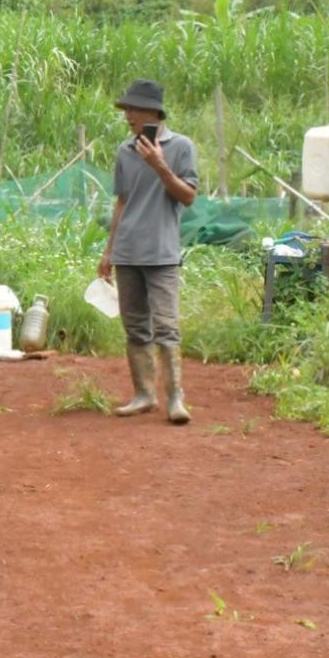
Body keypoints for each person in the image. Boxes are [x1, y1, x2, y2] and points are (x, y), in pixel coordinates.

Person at [97, 78, 200, 424]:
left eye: (134, 109)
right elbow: (121, 202)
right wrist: (108, 252)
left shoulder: (181, 147)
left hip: (162, 253)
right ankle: (144, 394)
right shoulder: (125, 151)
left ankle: (175, 399)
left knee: (167, 328)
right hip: (127, 251)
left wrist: (160, 164)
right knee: (135, 327)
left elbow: (187, 196)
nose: (128, 116)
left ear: (154, 113)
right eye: (126, 110)